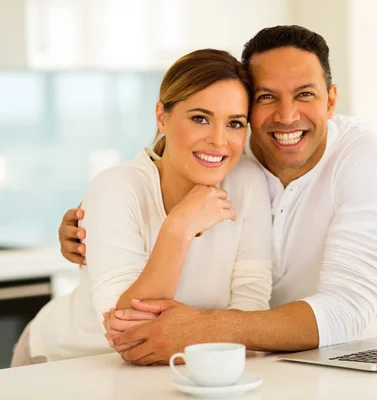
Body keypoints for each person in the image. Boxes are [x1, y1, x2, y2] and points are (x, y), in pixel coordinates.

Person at [58, 25, 377, 366]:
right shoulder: (229, 156)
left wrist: (202, 332)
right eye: (266, 97)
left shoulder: (373, 160)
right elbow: (138, 185)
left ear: (330, 101)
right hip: (97, 357)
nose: (287, 115)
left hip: (333, 347)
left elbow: (343, 313)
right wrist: (96, 225)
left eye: (305, 94)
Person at [11, 49, 273, 367]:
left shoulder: (247, 182)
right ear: (162, 117)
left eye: (234, 123)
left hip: (174, 364)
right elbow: (133, 331)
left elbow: (250, 312)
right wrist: (177, 229)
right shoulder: (116, 188)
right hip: (67, 359)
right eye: (200, 119)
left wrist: (204, 336)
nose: (219, 140)